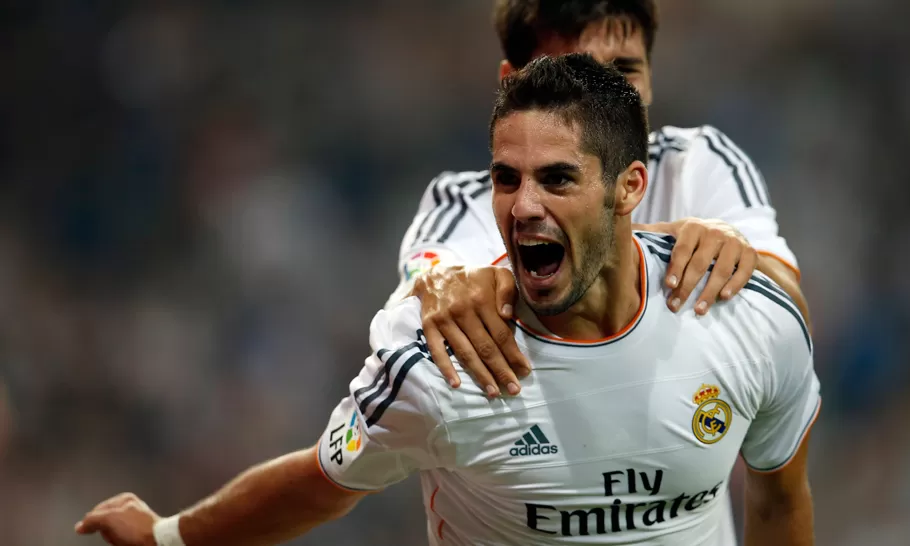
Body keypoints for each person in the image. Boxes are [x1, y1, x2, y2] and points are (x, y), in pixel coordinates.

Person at [76, 54, 818, 546]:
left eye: (557, 179)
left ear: (630, 187)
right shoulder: (443, 365)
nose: (523, 205)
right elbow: (320, 482)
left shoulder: (743, 317)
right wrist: (169, 538)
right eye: (505, 178)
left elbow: (780, 498)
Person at [391, 0, 810, 398]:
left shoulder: (697, 164)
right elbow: (425, 290)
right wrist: (435, 285)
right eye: (579, 73)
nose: (610, 95)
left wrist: (742, 261)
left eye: (625, 70)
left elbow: (789, 305)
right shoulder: (465, 205)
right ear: (512, 82)